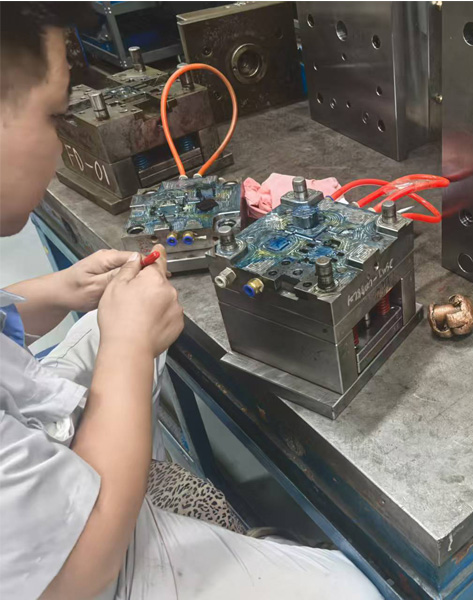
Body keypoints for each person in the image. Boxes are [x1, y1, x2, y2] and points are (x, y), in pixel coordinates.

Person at [0, 4, 381, 599]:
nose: (59, 141)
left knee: (116, 325)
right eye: (53, 116)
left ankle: (156, 487)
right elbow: (79, 573)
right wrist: (128, 346)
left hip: (35, 451)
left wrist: (57, 291)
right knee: (352, 591)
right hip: (89, 568)